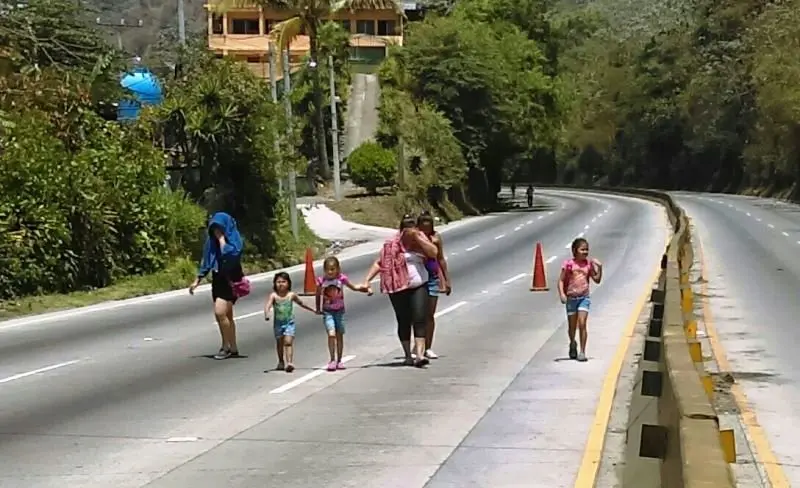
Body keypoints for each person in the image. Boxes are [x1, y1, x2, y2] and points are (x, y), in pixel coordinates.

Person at [362, 214, 439, 367]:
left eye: (412, 226)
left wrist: (417, 238)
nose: (409, 230)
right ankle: (407, 355)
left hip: (418, 284)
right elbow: (380, 262)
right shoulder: (392, 245)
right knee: (403, 320)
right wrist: (367, 280)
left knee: (419, 317)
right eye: (406, 227)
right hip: (397, 287)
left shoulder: (420, 240)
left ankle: (419, 355)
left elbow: (434, 253)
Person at [189, 212, 246, 360]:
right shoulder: (210, 242)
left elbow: (230, 255)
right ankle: (233, 347)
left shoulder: (235, 239)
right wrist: (197, 280)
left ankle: (225, 346)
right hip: (218, 279)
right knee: (227, 315)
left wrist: (222, 240)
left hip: (231, 279)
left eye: (219, 228)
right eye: (214, 228)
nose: (216, 231)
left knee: (220, 312)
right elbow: (207, 261)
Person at [316, 256, 371, 372]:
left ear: (338, 269)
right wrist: (317, 308)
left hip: (339, 311)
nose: (330, 272)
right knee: (331, 334)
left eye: (333, 269)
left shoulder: (341, 279)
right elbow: (317, 295)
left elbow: (354, 287)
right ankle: (332, 359)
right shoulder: (322, 281)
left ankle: (339, 360)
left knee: (339, 335)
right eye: (328, 269)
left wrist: (364, 289)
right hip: (328, 312)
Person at [557, 237, 603, 362]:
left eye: (586, 250)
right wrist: (562, 294)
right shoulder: (568, 265)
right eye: (582, 249)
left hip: (584, 298)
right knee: (572, 326)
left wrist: (600, 267)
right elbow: (561, 280)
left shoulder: (588, 264)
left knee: (582, 323)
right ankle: (573, 343)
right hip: (571, 298)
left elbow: (597, 280)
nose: (585, 252)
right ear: (575, 250)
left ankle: (582, 352)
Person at [264, 272, 318, 373]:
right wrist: (267, 314)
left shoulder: (291, 295)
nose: (281, 284)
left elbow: (302, 303)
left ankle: (289, 362)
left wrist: (314, 309)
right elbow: (268, 305)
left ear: (288, 283)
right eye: (278, 282)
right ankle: (281, 361)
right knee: (280, 343)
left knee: (288, 342)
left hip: (289, 323)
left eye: (283, 282)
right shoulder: (274, 296)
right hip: (278, 324)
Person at [416, 211, 451, 360]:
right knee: (418, 314)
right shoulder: (415, 238)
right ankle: (419, 346)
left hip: (432, 278)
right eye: (423, 228)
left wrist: (447, 280)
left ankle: (428, 347)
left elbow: (441, 259)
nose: (426, 231)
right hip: (418, 278)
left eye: (428, 228)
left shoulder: (436, 238)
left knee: (429, 315)